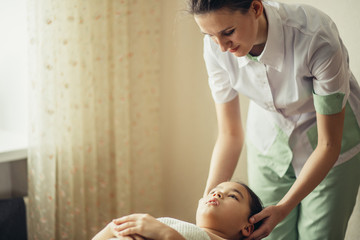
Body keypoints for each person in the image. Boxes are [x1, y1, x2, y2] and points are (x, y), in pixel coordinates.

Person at [187, 0, 360, 239]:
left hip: (329, 146)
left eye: (228, 32)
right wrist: (207, 200)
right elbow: (230, 134)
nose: (222, 47)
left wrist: (283, 208)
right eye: (209, 35)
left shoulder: (315, 37)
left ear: (256, 8)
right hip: (269, 141)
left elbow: (328, 144)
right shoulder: (215, 47)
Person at [92, 181, 263, 240]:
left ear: (247, 228)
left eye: (233, 196)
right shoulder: (186, 229)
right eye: (213, 191)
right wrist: (113, 228)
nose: (217, 193)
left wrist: (166, 234)